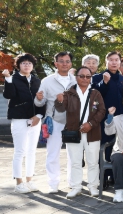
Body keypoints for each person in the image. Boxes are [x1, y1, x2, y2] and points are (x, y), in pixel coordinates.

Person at [55, 66, 106, 198]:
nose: (84, 79)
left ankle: (93, 186)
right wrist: (59, 100)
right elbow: (60, 108)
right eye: (81, 76)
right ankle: (76, 187)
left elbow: (101, 111)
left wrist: (90, 124)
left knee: (93, 162)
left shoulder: (95, 93)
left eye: (88, 76)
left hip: (92, 132)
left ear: (91, 78)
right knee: (75, 162)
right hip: (74, 132)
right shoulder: (69, 93)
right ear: (76, 77)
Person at [3, 53, 45, 194]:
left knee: (31, 151)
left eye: (29, 63)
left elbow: (43, 99)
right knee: (20, 151)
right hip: (19, 119)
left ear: (33, 65)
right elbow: (8, 95)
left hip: (35, 119)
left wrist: (38, 116)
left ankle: (29, 180)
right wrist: (8, 79)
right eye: (23, 63)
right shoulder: (13, 79)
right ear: (18, 65)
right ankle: (19, 183)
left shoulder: (37, 81)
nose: (27, 65)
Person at [34, 51, 76, 193]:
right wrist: (39, 98)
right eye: (61, 61)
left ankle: (73, 182)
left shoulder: (76, 80)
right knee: (52, 154)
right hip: (54, 121)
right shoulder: (47, 81)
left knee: (73, 154)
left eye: (67, 61)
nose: (65, 64)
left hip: (72, 122)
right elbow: (39, 103)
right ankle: (53, 184)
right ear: (55, 63)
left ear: (71, 63)